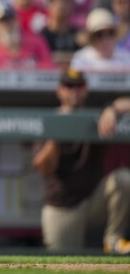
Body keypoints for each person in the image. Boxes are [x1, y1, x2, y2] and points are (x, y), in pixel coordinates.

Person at [32, 68, 130, 254]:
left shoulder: (96, 117)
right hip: (62, 207)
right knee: (63, 264)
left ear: (85, 89)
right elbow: (42, 168)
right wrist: (56, 136)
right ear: (59, 90)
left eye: (79, 86)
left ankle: (113, 239)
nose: (74, 91)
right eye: (69, 86)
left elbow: (126, 103)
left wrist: (112, 109)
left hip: (92, 200)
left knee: (124, 179)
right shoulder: (51, 119)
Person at [0, 0, 54, 68]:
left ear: (17, 21)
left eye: (9, 19)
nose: (6, 25)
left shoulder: (37, 43)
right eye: (1, 21)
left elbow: (48, 69)